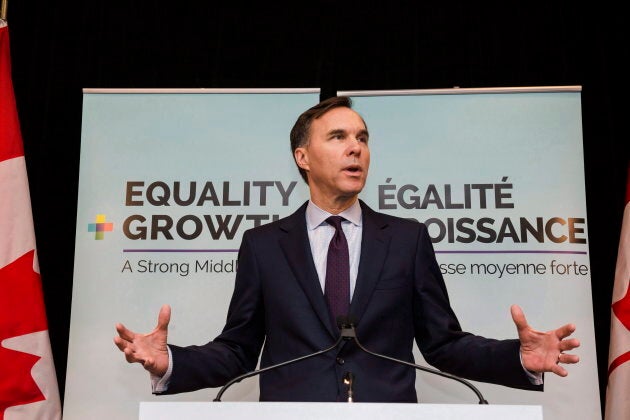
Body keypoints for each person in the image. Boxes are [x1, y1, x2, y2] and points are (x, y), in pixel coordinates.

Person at [114, 96, 580, 402]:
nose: (355, 148)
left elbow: (442, 343)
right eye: (338, 138)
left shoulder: (407, 239)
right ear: (303, 157)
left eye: (362, 138)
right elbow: (237, 350)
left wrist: (515, 358)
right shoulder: (262, 247)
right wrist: (170, 360)